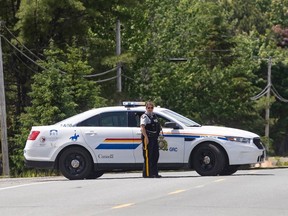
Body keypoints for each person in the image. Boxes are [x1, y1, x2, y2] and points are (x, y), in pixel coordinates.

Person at [140, 101, 162, 178]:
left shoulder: (154, 116)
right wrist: (145, 137)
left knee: (155, 155)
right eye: (148, 108)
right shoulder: (144, 116)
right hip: (148, 138)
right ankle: (147, 174)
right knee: (148, 156)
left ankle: (154, 173)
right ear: (146, 108)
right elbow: (142, 128)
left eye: (151, 107)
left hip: (154, 138)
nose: (150, 109)